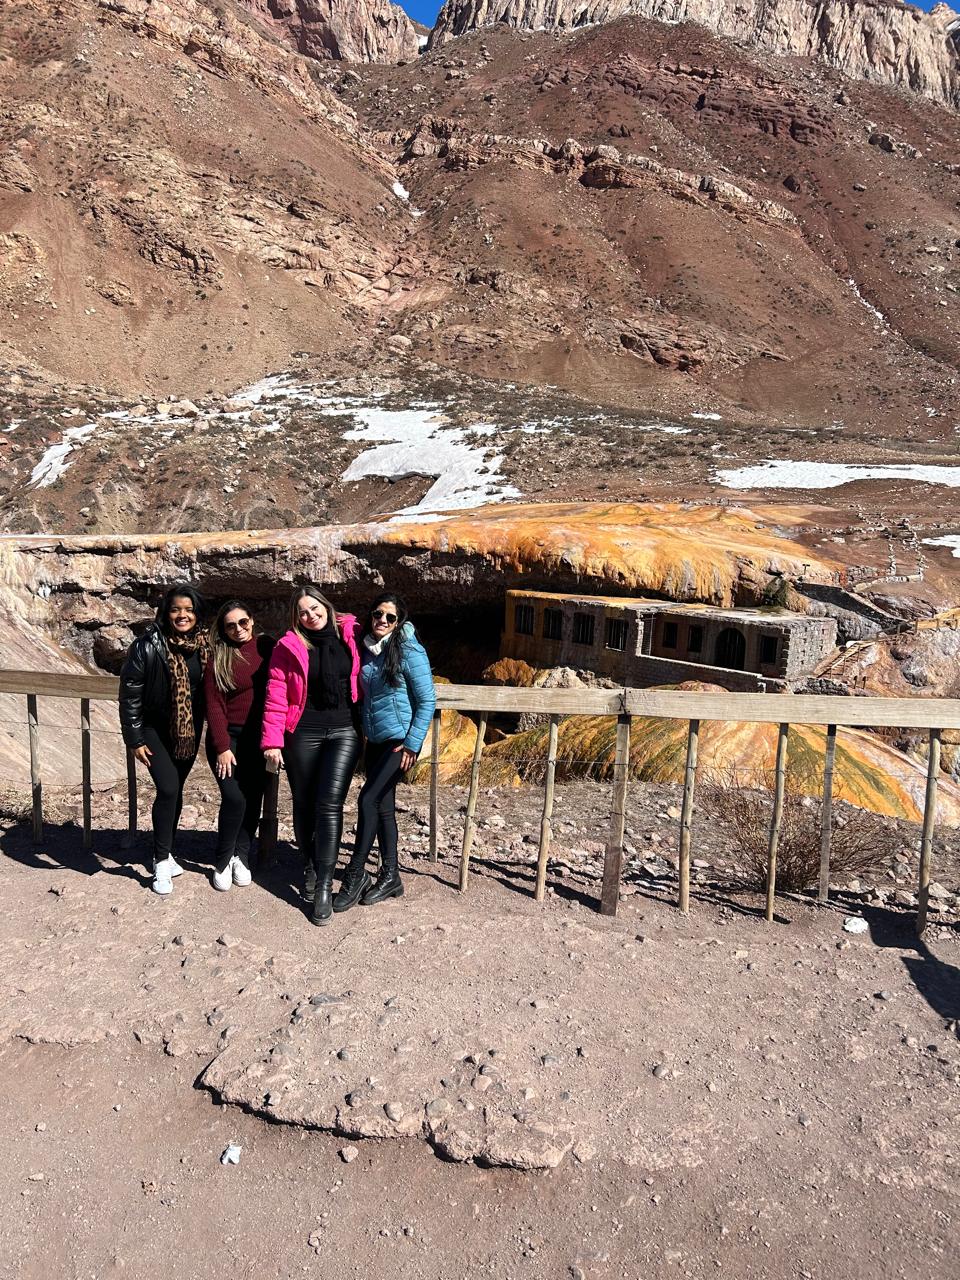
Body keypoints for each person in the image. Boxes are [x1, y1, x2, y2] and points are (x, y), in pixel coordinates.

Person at [261, 586, 363, 926]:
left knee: (329, 804)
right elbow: (276, 696)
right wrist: (272, 742)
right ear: (297, 618)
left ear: (326, 606)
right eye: (303, 612)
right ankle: (308, 862)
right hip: (302, 732)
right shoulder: (287, 647)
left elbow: (387, 642)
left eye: (315, 607)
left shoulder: (352, 632)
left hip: (344, 730)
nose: (311, 615)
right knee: (303, 803)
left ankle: (322, 883)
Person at [333, 592, 436, 913]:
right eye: (378, 614)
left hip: (399, 744)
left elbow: (427, 701)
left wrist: (413, 744)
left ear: (399, 621)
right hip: (376, 741)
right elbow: (348, 626)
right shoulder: (368, 648)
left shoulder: (409, 650)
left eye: (390, 617)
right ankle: (391, 876)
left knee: (367, 799)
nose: (382, 621)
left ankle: (355, 873)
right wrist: (344, 620)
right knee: (383, 807)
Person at [119, 583, 209, 896]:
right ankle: (160, 863)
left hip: (186, 731)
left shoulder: (203, 644)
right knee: (168, 788)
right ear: (165, 612)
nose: (182, 615)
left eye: (188, 609)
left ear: (197, 613)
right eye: (175, 609)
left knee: (176, 791)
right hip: (153, 730)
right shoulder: (147, 645)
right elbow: (130, 693)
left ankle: (167, 853)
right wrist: (134, 737)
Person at [204, 600, 275, 891]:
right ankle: (222, 858)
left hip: (259, 740)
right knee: (234, 798)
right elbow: (214, 706)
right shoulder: (217, 658)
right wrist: (222, 746)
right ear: (223, 629)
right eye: (230, 625)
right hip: (227, 740)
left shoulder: (267, 648)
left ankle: (241, 855)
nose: (238, 629)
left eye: (243, 622)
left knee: (253, 798)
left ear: (252, 621)